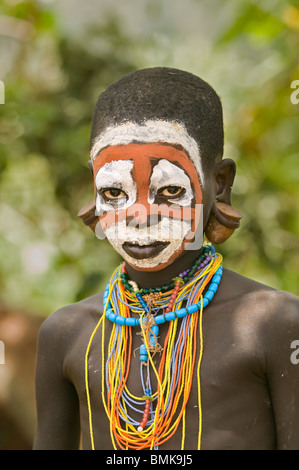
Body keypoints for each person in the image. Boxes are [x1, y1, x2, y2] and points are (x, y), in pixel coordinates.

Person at [33, 67, 299, 451]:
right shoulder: (66, 333)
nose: (140, 215)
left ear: (220, 183)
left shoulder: (275, 325)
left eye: (170, 190)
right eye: (114, 192)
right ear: (94, 187)